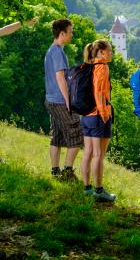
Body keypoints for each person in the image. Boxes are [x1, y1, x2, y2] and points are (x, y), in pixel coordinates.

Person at [44, 19, 83, 181]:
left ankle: (55, 171)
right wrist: (69, 102)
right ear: (62, 34)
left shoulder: (51, 50)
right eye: (70, 31)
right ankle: (67, 172)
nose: (72, 35)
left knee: (57, 136)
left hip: (50, 99)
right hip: (60, 101)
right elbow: (60, 78)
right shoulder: (58, 52)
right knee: (77, 134)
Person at [80, 40, 116, 202]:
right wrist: (104, 115)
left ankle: (87, 187)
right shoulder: (102, 67)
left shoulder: (88, 66)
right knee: (98, 155)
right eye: (109, 50)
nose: (111, 53)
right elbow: (100, 92)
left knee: (88, 153)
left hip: (86, 116)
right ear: (101, 52)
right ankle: (99, 191)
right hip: (98, 115)